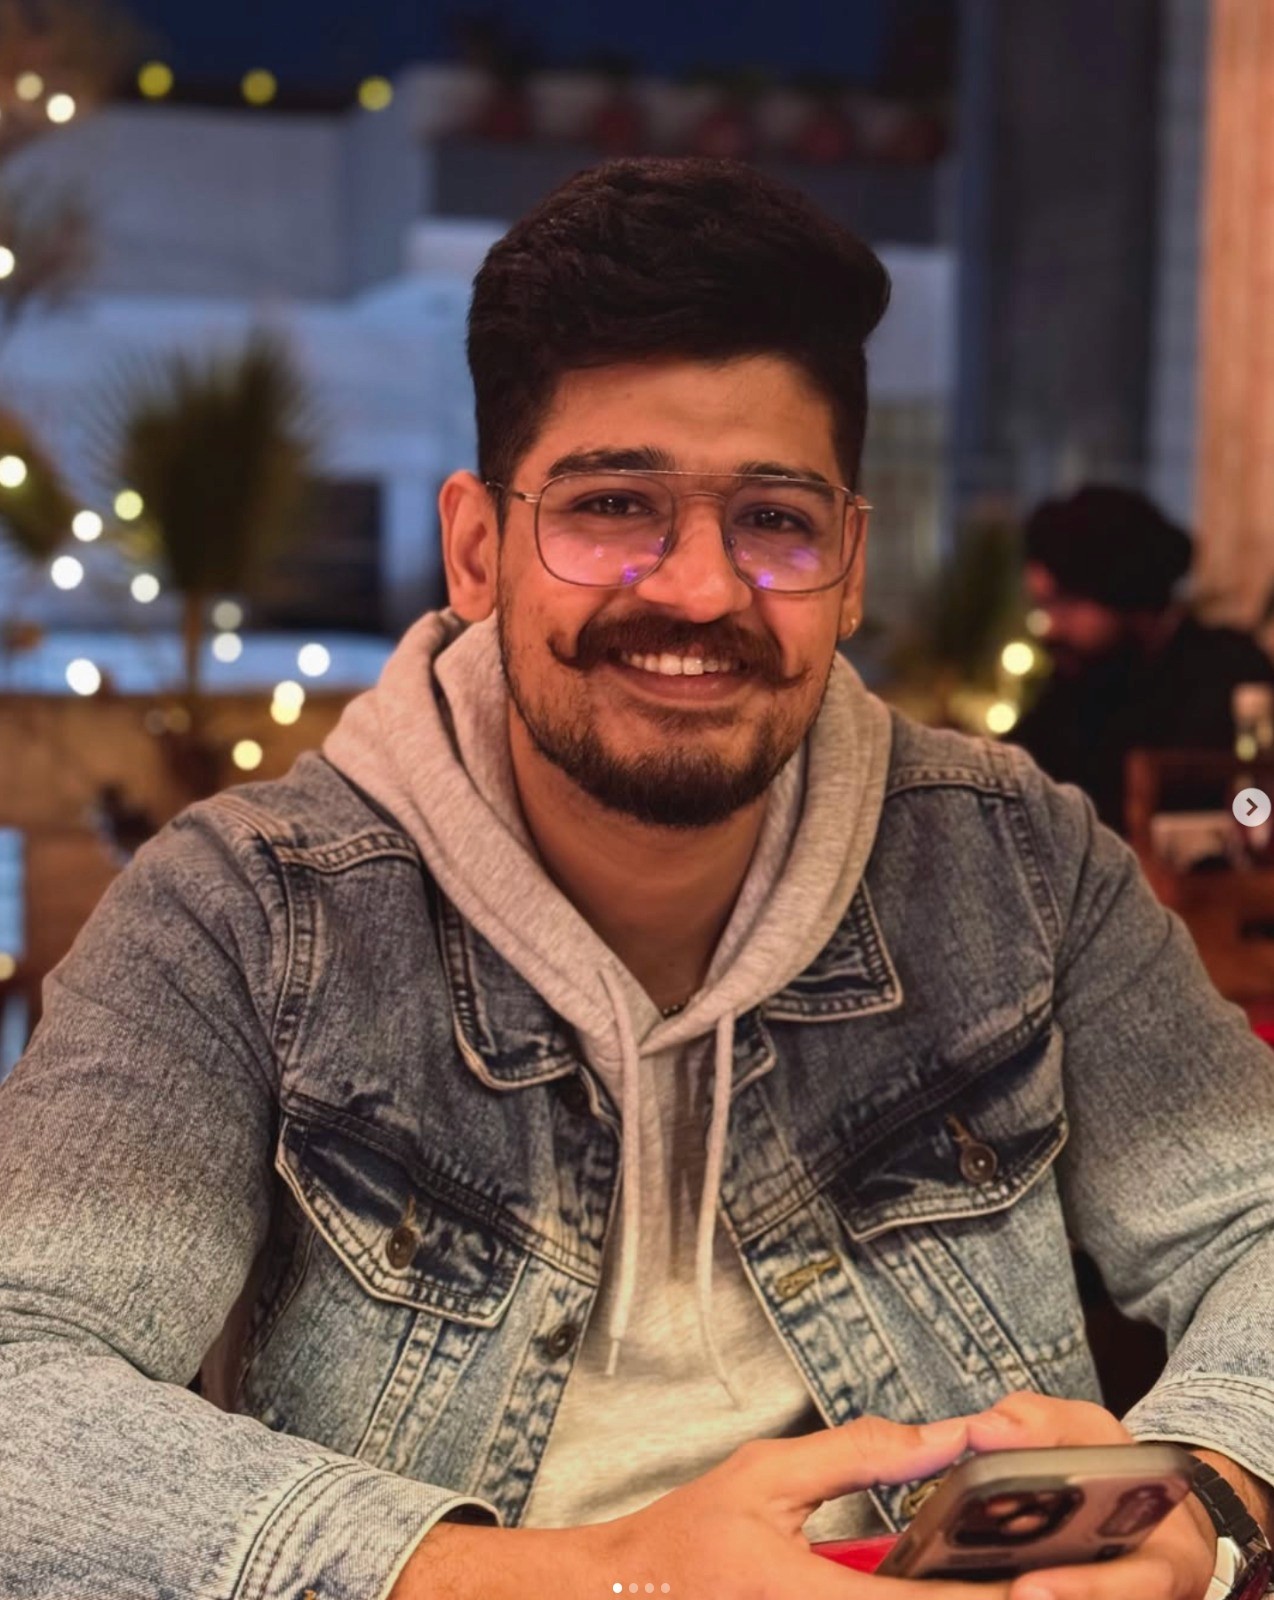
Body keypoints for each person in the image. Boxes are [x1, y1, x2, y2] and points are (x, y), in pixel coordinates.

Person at [0, 159, 1271, 1600]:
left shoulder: (1017, 865)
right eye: (614, 507)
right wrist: (586, 1576)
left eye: (773, 521)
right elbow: (20, 1381)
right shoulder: (240, 915)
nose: (698, 590)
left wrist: (1209, 1504)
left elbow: (1256, 1224)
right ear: (476, 547)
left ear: (848, 566)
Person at [1010, 484, 1274, 832]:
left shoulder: (1229, 673)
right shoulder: (1079, 684)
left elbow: (1252, 811)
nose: (1052, 626)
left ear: (1122, 592)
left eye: (1065, 603)